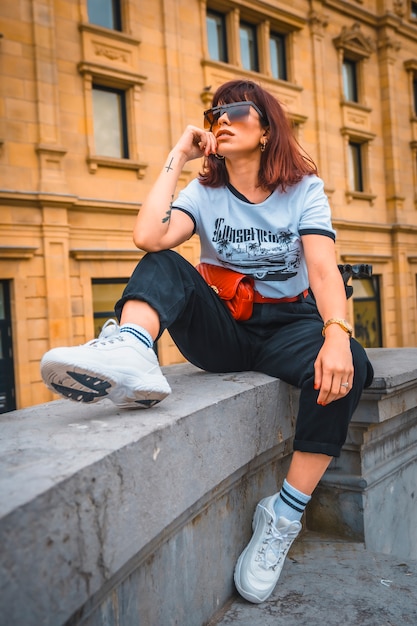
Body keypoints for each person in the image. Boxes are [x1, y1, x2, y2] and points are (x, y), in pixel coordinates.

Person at [41, 79, 374, 604]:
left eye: (236, 110)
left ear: (266, 128)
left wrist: (336, 332)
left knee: (347, 365)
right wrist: (178, 153)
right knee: (163, 263)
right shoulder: (205, 193)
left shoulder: (303, 190)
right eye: (213, 111)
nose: (222, 117)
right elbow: (149, 237)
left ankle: (283, 515)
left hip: (289, 325)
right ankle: (132, 348)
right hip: (224, 328)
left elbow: (324, 270)